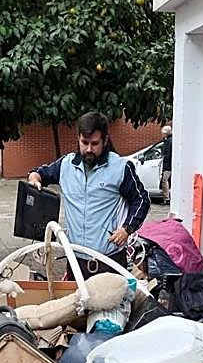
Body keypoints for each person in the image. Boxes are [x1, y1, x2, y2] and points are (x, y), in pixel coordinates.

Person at [27, 111, 151, 277]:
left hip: (109, 261)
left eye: (95, 143)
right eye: (84, 143)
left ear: (105, 140)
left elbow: (142, 200)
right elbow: (40, 173)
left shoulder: (120, 168)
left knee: (110, 303)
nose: (89, 149)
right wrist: (34, 178)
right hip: (76, 260)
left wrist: (127, 229)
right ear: (78, 138)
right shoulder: (65, 165)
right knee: (75, 303)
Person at [160, 124, 172, 203]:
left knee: (165, 180)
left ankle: (166, 198)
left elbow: (167, 154)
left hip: (168, 165)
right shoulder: (170, 140)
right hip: (170, 164)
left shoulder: (168, 141)